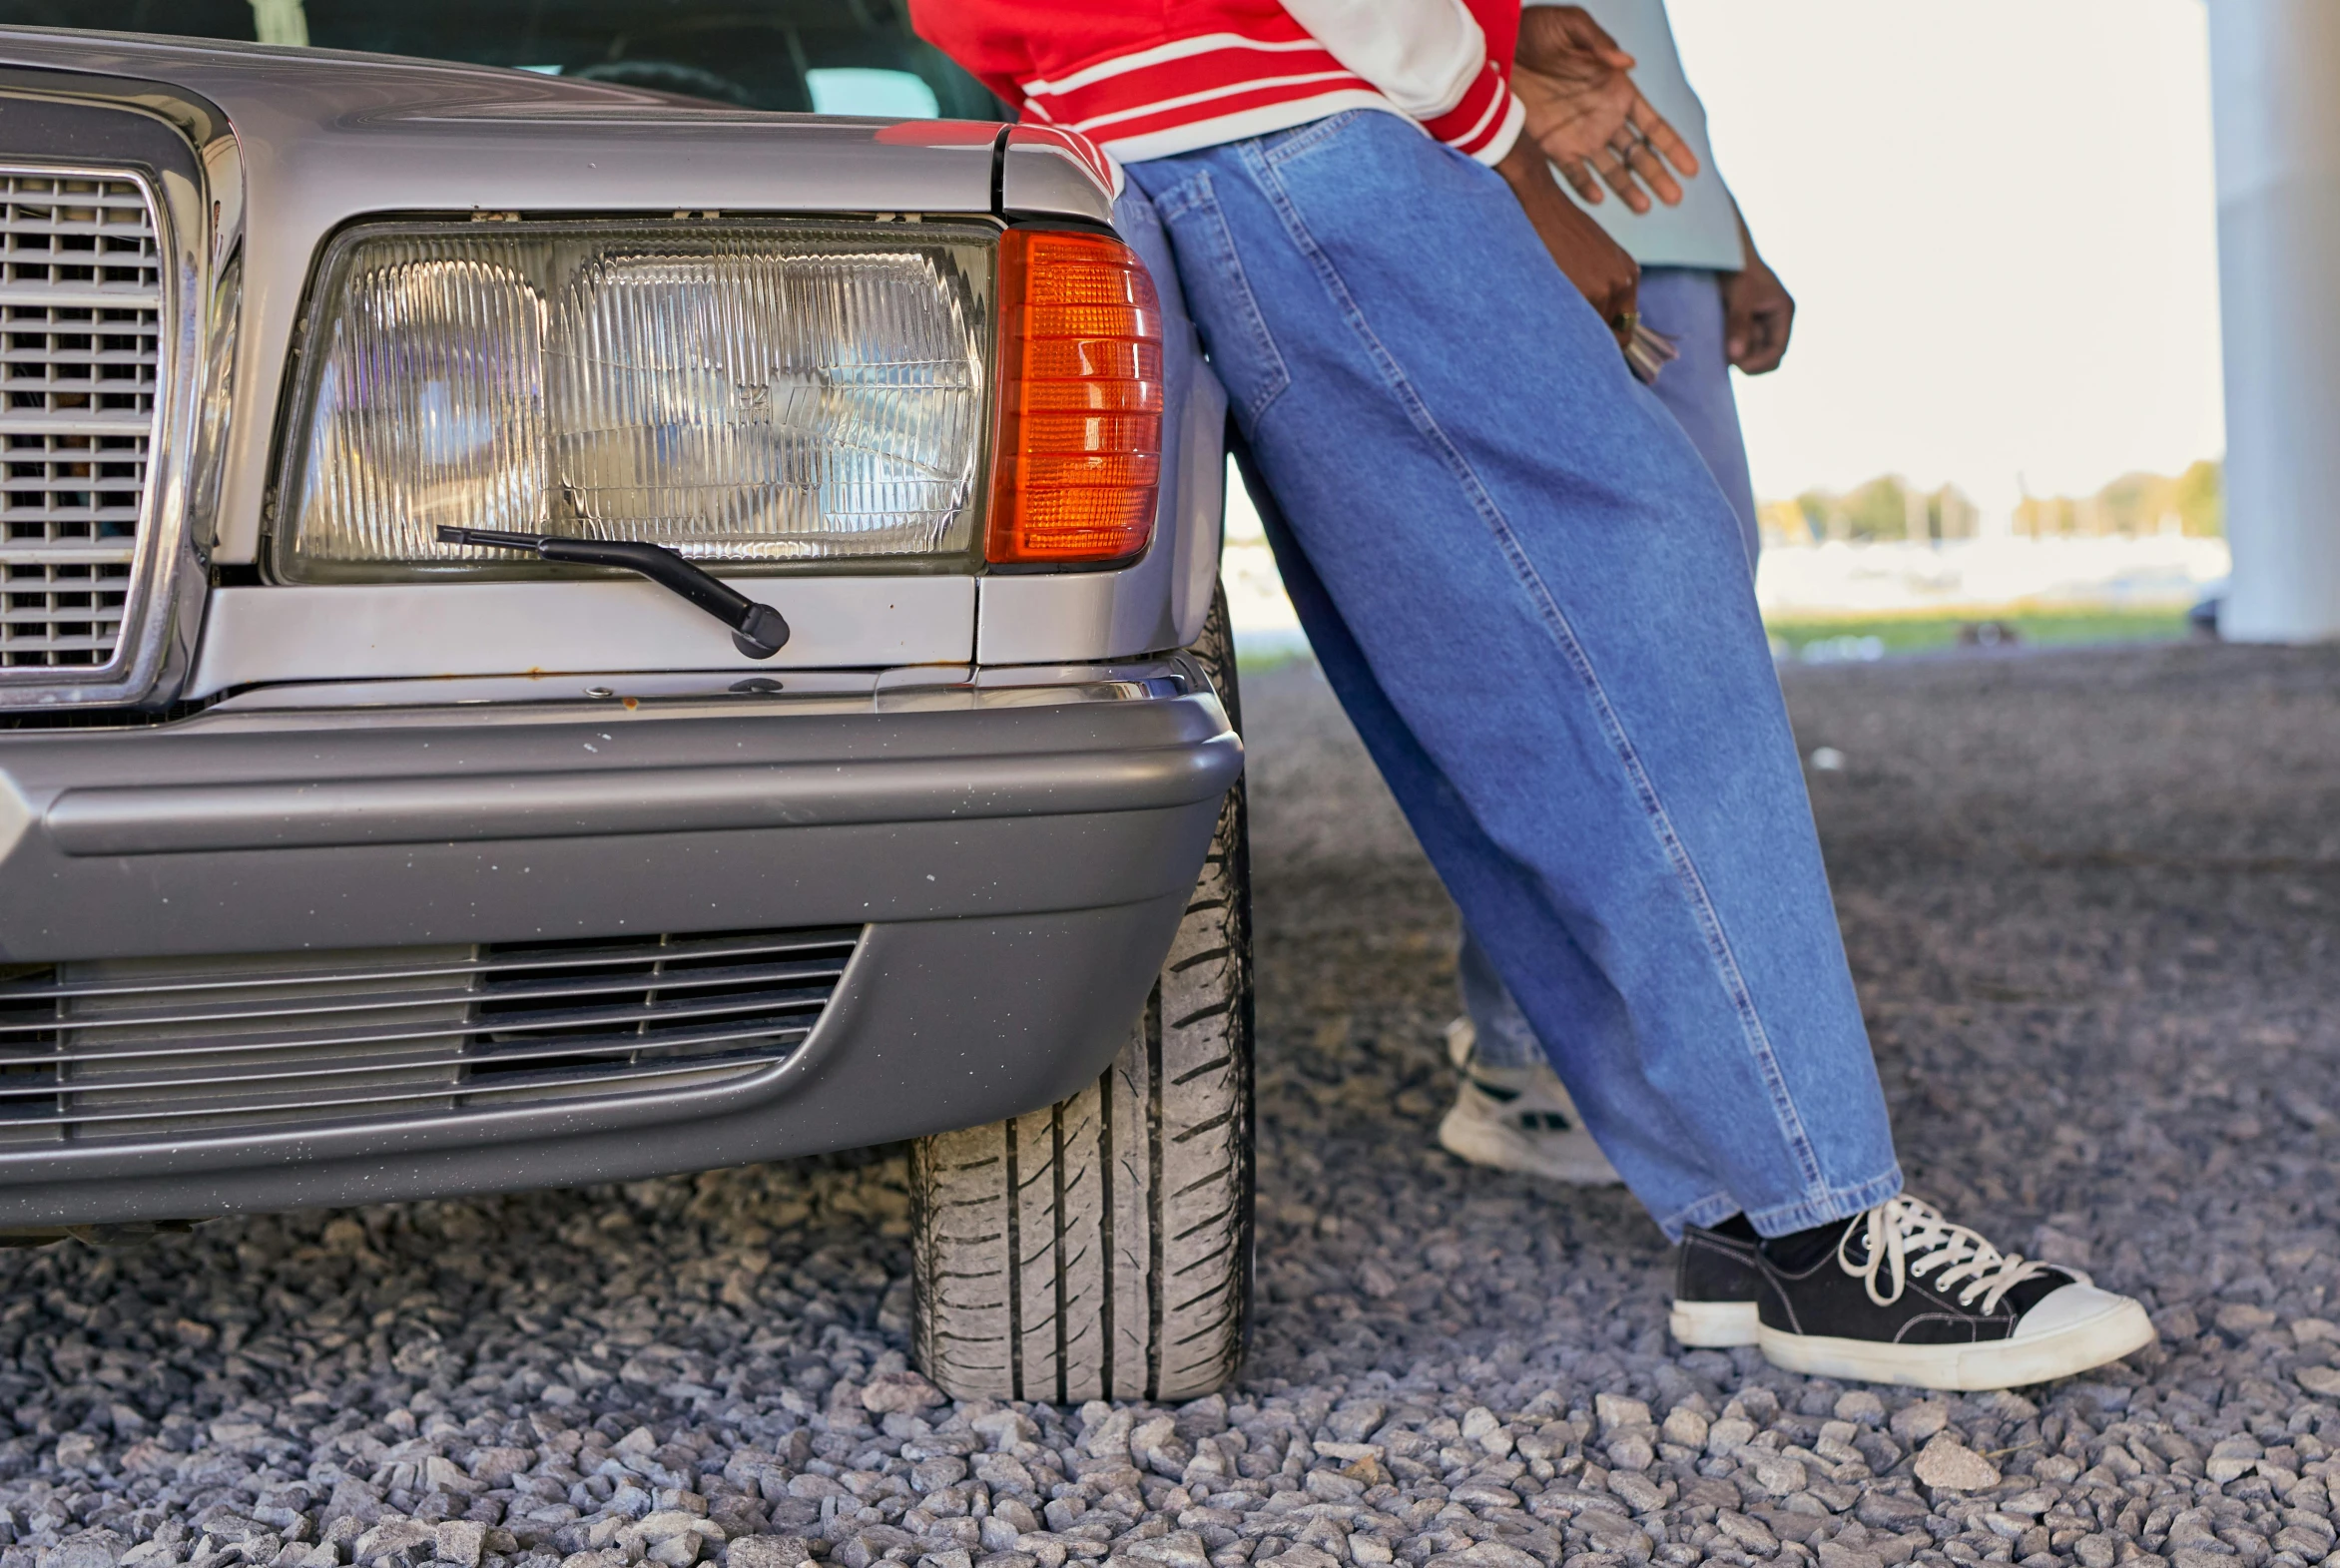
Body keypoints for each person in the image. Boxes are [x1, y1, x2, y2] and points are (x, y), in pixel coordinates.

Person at [909, 0, 2154, 1388]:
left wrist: (1496, 34)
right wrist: (1499, 150)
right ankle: (1827, 1227)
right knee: (1637, 591)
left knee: (1482, 676)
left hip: (1176, 130)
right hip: (1290, 124)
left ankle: (1742, 1216)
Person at [1439, 0, 1793, 1188]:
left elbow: (1643, 66)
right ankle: (1519, 1055)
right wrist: (1535, 200)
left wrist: (1728, 238)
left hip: (1663, 236)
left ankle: (1667, 1053)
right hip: (1525, 210)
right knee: (1569, 650)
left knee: (1695, 656)